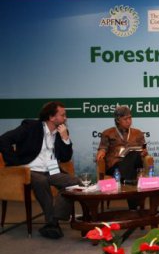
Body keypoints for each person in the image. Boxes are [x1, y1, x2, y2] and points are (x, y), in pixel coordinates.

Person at [0, 101, 80, 239]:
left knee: (74, 182)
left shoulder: (61, 132)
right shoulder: (31, 127)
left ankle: (54, 220)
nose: (65, 118)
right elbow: (3, 140)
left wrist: (65, 138)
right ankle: (52, 224)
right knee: (41, 181)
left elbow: (66, 158)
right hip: (30, 170)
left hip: (52, 170)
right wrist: (14, 163)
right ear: (51, 117)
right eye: (63, 115)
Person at [96, 106, 147, 209]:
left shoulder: (138, 133)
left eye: (130, 118)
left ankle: (125, 181)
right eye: (125, 119)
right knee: (132, 171)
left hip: (134, 163)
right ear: (118, 120)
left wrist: (143, 152)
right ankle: (133, 207)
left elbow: (144, 149)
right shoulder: (107, 133)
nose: (129, 121)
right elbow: (103, 148)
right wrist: (101, 152)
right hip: (115, 165)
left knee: (133, 154)